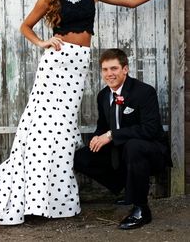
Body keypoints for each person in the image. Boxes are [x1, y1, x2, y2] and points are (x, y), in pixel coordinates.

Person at [0, 0, 172, 230]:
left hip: (77, 67)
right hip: (55, 66)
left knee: (61, 132)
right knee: (42, 130)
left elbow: (130, 2)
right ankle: (34, 199)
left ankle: (53, 199)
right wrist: (43, 42)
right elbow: (25, 27)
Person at [74, 48, 172, 230]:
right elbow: (103, 126)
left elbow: (149, 129)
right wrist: (97, 137)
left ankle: (141, 208)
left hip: (151, 150)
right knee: (81, 157)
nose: (109, 74)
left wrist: (111, 135)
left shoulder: (144, 92)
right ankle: (127, 188)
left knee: (134, 146)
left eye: (114, 68)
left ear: (125, 69)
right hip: (120, 150)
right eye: (105, 69)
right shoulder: (103, 95)